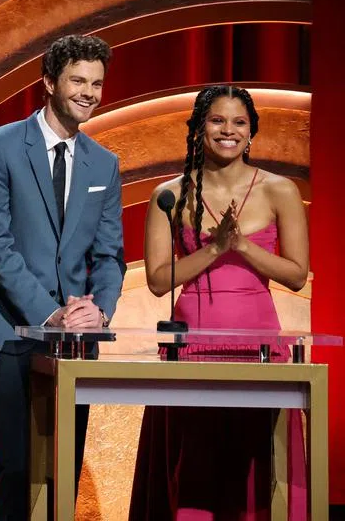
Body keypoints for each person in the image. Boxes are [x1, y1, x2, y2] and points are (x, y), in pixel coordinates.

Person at [129, 85, 309, 519]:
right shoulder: (169, 194)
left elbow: (296, 275)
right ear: (197, 128)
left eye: (239, 122)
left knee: (255, 464)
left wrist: (242, 247)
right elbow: (156, 280)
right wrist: (212, 250)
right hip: (190, 344)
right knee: (191, 465)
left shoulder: (278, 190)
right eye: (217, 120)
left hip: (258, 345)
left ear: (252, 133)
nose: (228, 130)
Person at [0, 33, 125, 520]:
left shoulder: (104, 162)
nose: (89, 92)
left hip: (74, 343)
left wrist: (96, 310)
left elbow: (110, 254)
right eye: (78, 80)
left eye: (97, 83)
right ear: (49, 82)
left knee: (63, 471)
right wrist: (51, 312)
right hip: (10, 330)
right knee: (17, 469)